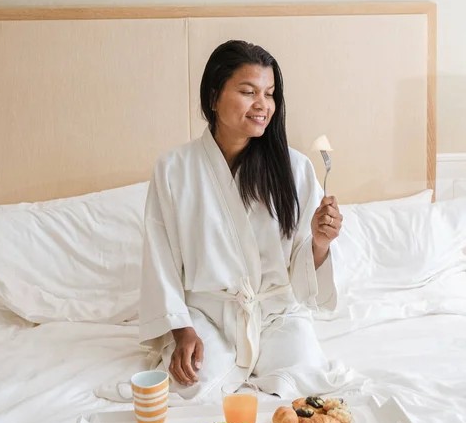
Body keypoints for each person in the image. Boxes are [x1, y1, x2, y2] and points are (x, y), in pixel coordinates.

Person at [139, 40, 359, 402]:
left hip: (278, 314)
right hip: (207, 316)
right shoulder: (174, 170)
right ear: (213, 96)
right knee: (192, 392)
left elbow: (306, 273)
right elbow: (160, 257)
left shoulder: (296, 168)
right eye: (248, 91)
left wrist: (321, 242)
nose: (263, 104)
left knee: (308, 391)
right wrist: (180, 329)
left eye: (270, 94)